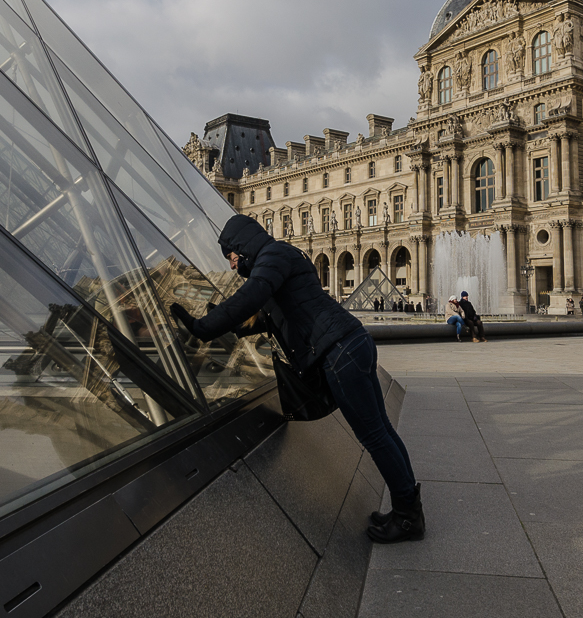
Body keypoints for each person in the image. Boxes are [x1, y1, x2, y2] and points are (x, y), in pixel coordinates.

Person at [173, 215, 423, 543]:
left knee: (376, 437)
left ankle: (407, 518)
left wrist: (203, 327)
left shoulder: (272, 257)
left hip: (339, 352)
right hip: (350, 343)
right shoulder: (283, 255)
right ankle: (408, 507)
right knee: (383, 431)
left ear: (241, 246)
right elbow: (275, 315)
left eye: (232, 257)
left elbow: (252, 296)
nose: (233, 266)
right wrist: (233, 325)